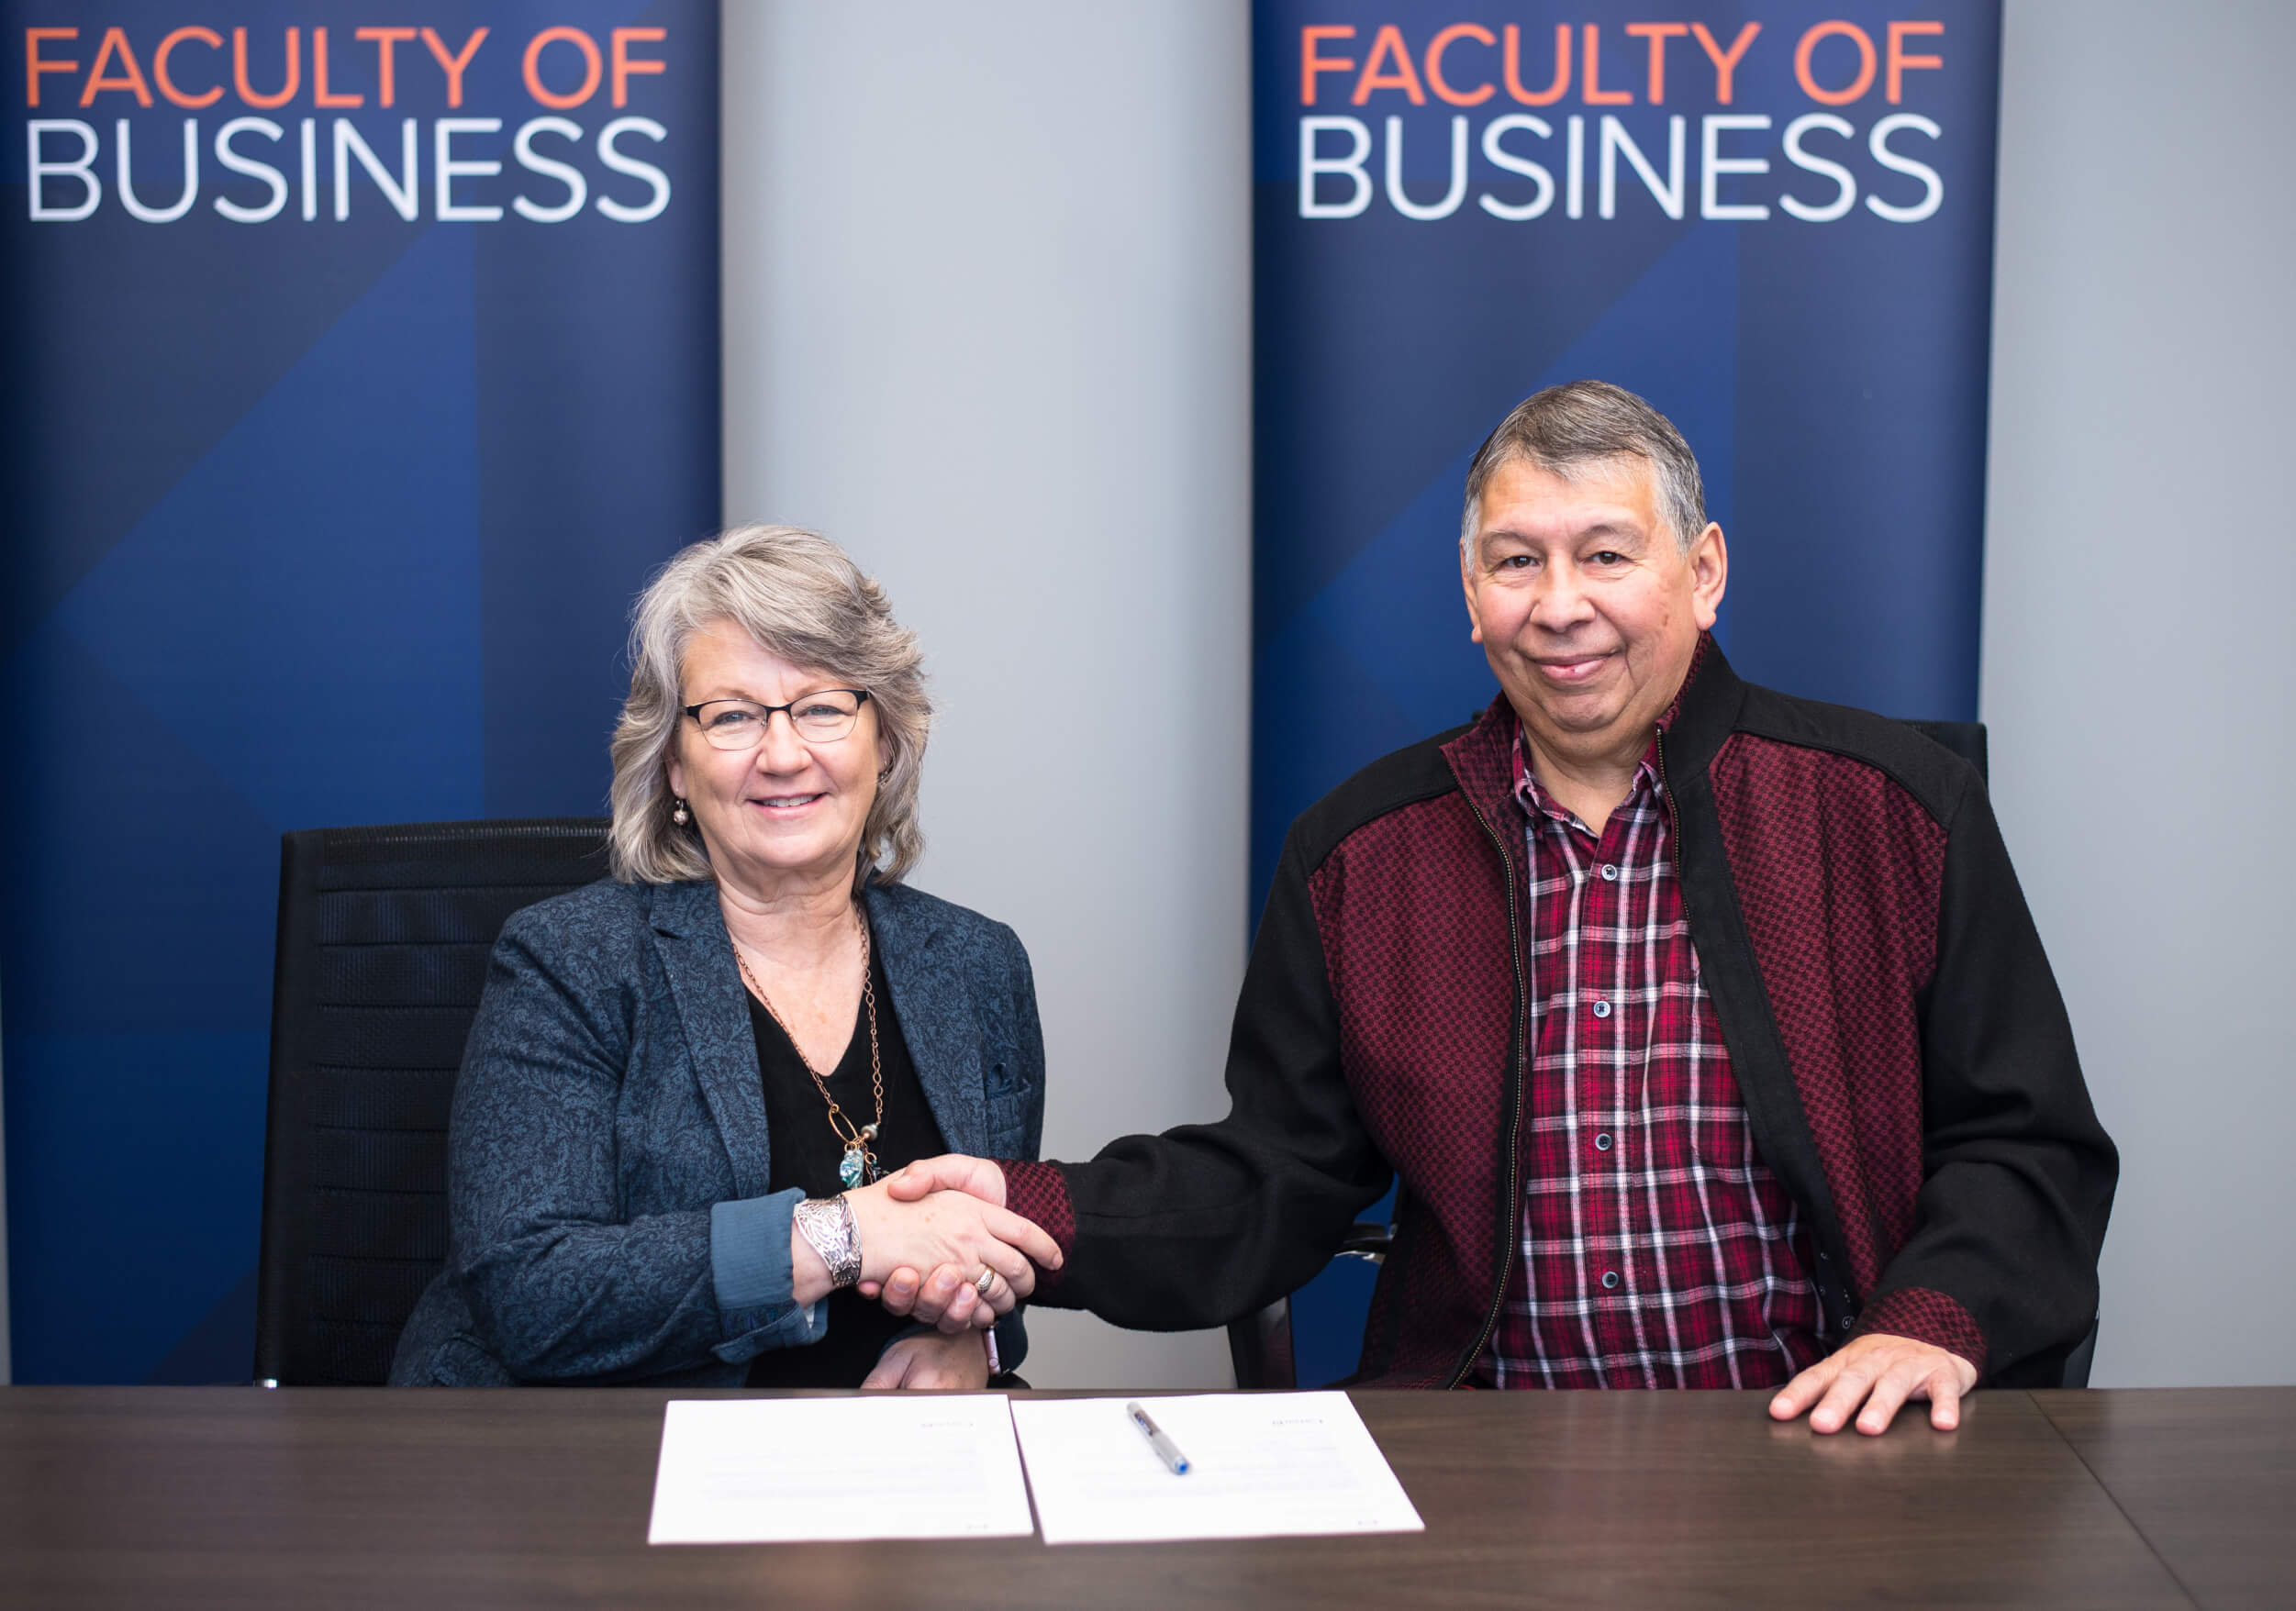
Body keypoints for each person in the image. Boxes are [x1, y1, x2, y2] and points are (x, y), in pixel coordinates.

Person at [878, 382, 2117, 1433]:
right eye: (1516, 561)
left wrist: (1929, 1322)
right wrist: (1025, 1209)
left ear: (1701, 575)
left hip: (1818, 1433)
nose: (1560, 604)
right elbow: (1278, 1174)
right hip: (1484, 1448)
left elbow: (2025, 1144)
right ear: (1470, 596)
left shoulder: (1892, 808)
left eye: (1606, 555)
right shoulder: (1361, 856)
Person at [391, 525, 1059, 1389]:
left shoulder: (976, 966)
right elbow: (533, 1293)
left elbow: (1001, 1257)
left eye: (823, 707)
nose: (783, 755)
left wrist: (979, 1344)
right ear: (672, 761)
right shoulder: (570, 963)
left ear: (884, 741)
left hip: (899, 1470)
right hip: (619, 1464)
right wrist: (842, 1236)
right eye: (733, 716)